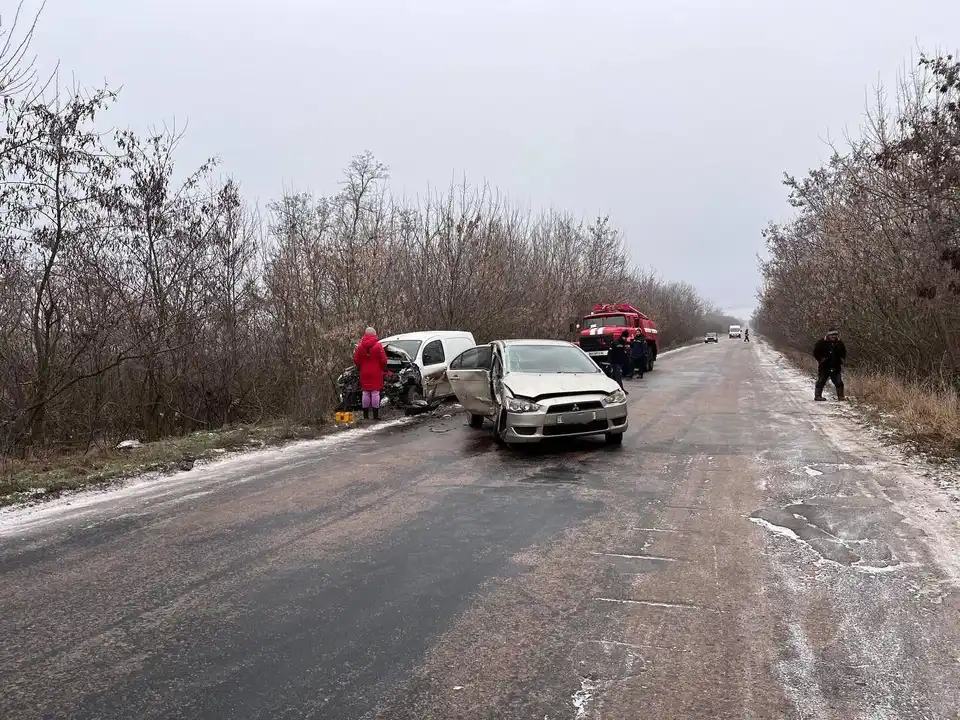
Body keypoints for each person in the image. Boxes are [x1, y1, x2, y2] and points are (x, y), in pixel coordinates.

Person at [354, 326, 388, 420]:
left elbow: (356, 360)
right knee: (375, 392)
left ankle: (365, 415)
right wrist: (381, 367)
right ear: (374, 334)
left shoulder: (360, 346)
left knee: (365, 392)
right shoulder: (378, 345)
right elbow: (384, 360)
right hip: (376, 371)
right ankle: (375, 415)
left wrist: (360, 367)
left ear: (365, 334)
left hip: (364, 371)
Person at [813, 329, 846, 401]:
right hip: (824, 366)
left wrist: (841, 359)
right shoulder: (821, 343)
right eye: (832, 335)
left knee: (839, 382)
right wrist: (821, 359)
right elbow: (815, 353)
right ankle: (817, 396)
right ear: (828, 335)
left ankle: (841, 396)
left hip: (836, 366)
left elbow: (843, 353)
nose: (834, 336)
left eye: (835, 335)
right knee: (821, 381)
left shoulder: (839, 343)